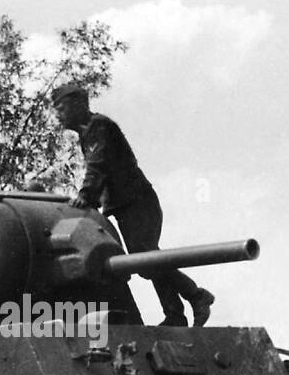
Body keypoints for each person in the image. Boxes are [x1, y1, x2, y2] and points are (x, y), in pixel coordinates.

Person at [51, 82, 214, 327]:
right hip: (126, 204)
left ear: (78, 104)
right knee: (147, 261)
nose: (58, 114)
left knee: (146, 259)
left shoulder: (99, 126)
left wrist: (86, 196)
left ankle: (196, 295)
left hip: (137, 201)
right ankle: (176, 314)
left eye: (61, 107)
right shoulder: (89, 132)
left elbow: (98, 165)